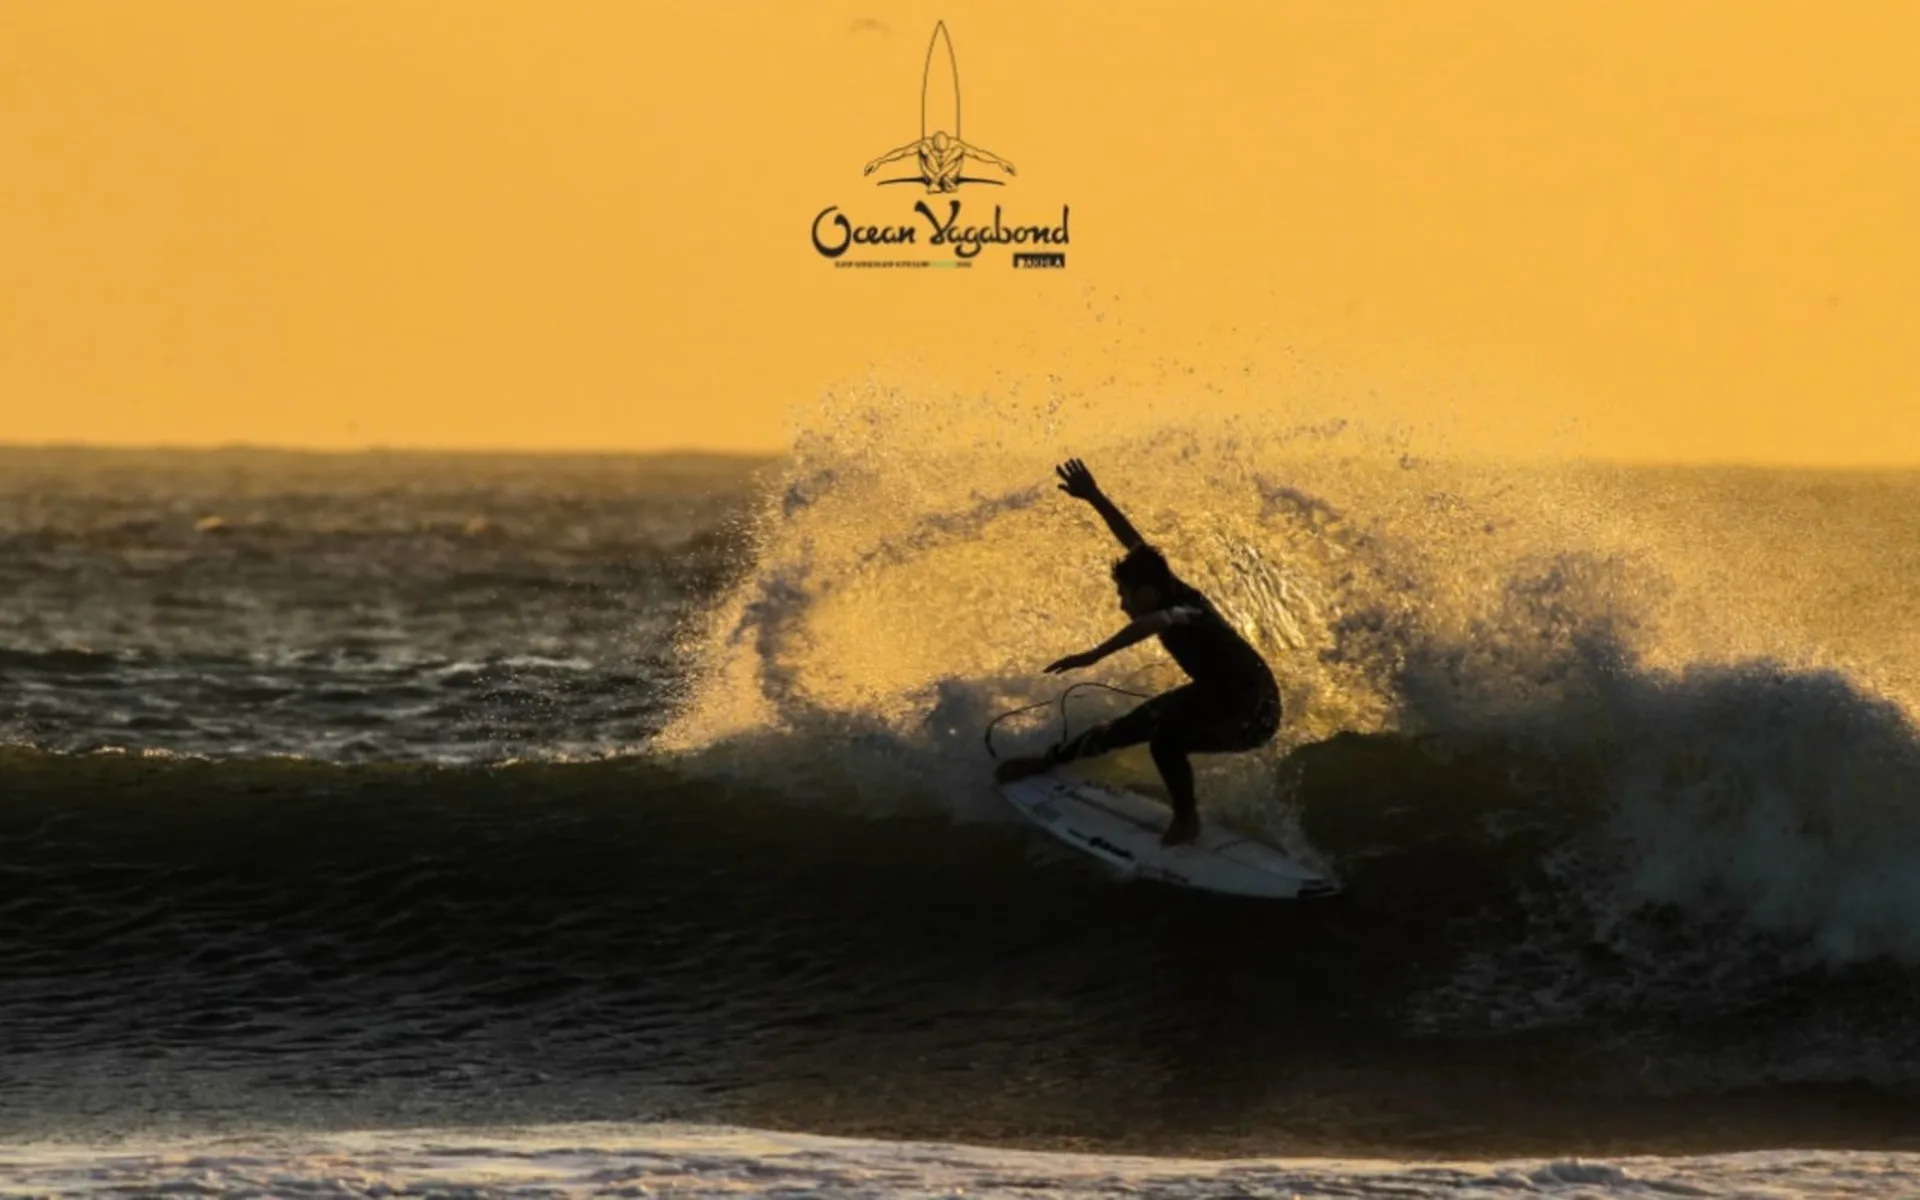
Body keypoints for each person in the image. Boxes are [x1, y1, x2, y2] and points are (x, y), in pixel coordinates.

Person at [994, 459, 1282, 846]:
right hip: (1217, 695)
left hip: (1253, 712)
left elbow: (1156, 622)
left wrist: (1093, 655)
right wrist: (1094, 497)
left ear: (1145, 594)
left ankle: (1186, 819)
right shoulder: (1163, 581)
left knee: (1164, 740)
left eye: (1124, 596)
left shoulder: (1186, 610)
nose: (1121, 604)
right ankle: (1049, 761)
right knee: (1131, 726)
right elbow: (1133, 542)